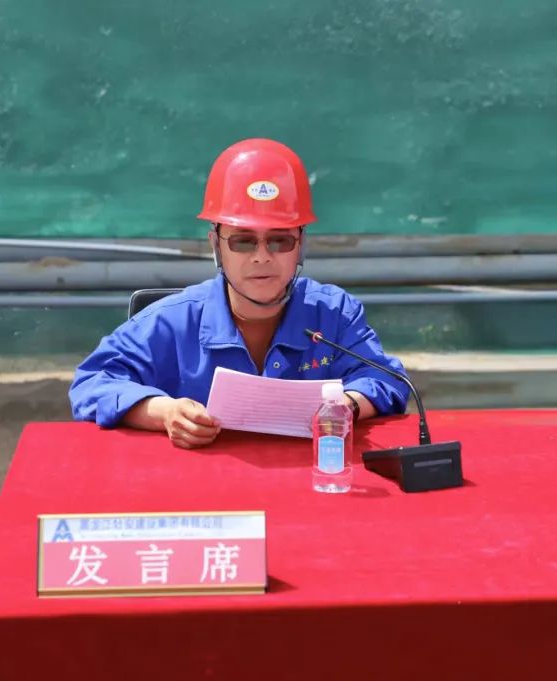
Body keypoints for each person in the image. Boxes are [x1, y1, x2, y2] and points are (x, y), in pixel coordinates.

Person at [69, 138, 410, 448]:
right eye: (243, 241)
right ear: (216, 246)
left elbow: (386, 378)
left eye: (280, 240)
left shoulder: (334, 314)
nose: (262, 256)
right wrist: (164, 412)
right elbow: (91, 383)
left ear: (301, 245)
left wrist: (346, 406)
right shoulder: (170, 322)